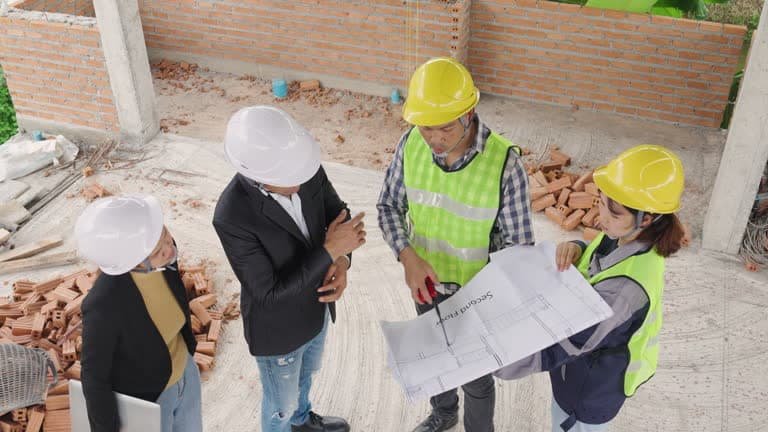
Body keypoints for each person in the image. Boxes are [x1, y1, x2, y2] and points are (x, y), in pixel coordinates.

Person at [377, 57, 534, 432]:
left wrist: (486, 302)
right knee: (436, 356)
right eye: (425, 127)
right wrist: (407, 256)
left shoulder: (504, 165)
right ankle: (443, 413)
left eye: (444, 127)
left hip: (476, 296)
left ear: (469, 112)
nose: (434, 138)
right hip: (426, 285)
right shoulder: (412, 144)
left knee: (476, 378)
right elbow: (388, 206)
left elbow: (518, 249)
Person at [495, 144, 687, 431]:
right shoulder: (626, 237)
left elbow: (561, 344)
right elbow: (599, 258)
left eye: (614, 211)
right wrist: (576, 247)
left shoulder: (625, 291)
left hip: (588, 395)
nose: (601, 216)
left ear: (646, 218)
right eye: (601, 200)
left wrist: (492, 361)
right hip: (582, 372)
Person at [213, 106, 365, 432]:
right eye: (288, 181)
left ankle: (302, 420)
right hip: (278, 332)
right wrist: (330, 250)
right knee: (279, 407)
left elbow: (337, 213)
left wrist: (341, 261)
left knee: (305, 378)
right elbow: (268, 295)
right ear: (255, 175)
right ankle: (288, 421)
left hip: (317, 311)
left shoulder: (302, 168)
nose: (299, 183)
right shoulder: (231, 216)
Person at [77, 195, 201, 432]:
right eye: (157, 251)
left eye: (164, 235)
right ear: (131, 262)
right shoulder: (104, 304)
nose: (168, 249)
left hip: (186, 372)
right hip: (152, 397)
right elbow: (94, 377)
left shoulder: (162, 253)